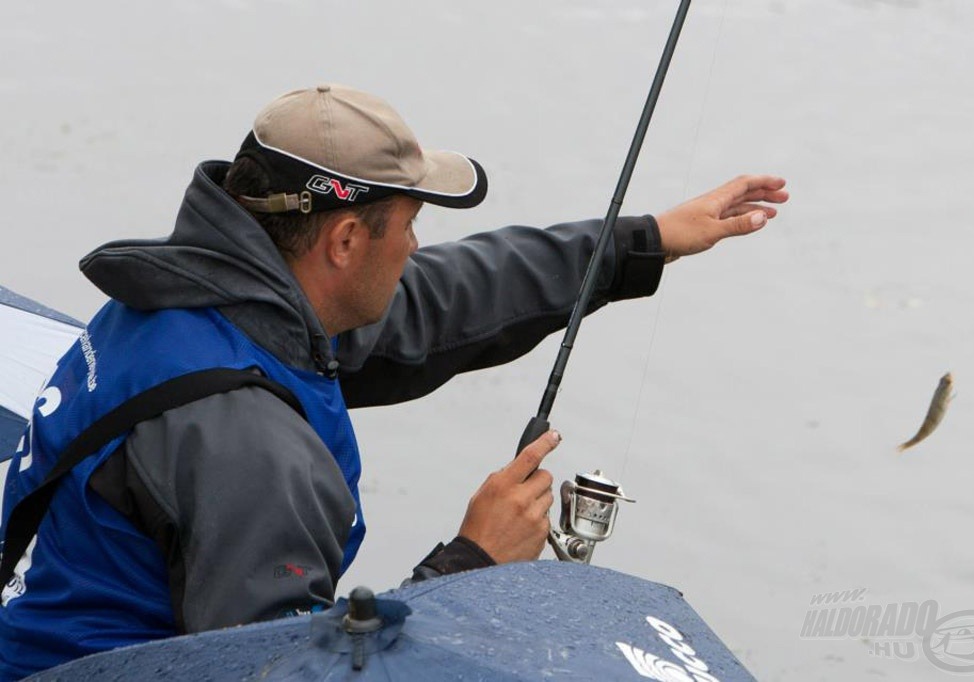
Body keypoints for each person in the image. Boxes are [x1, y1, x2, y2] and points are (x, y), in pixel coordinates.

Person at [0, 83, 788, 678]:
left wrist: (642, 243)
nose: (415, 246)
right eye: (410, 223)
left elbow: (442, 300)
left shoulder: (181, 299)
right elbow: (282, 669)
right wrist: (472, 566)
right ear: (345, 240)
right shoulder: (254, 449)